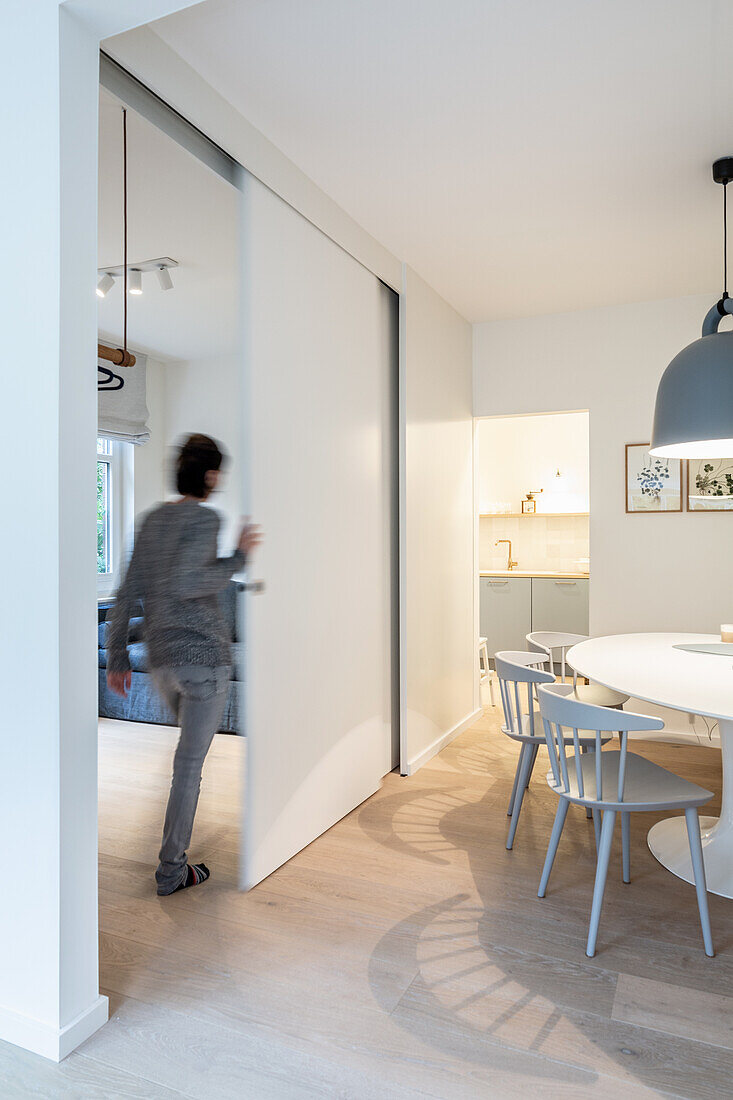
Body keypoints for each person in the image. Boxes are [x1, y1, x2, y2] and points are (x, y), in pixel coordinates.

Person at [106, 433, 261, 895]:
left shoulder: (152, 520)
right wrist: (238, 556)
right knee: (189, 766)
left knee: (185, 762)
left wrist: (117, 654)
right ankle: (172, 871)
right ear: (210, 475)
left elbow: (125, 590)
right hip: (204, 661)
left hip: (162, 665)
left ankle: (174, 861)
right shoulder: (206, 518)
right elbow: (190, 579)